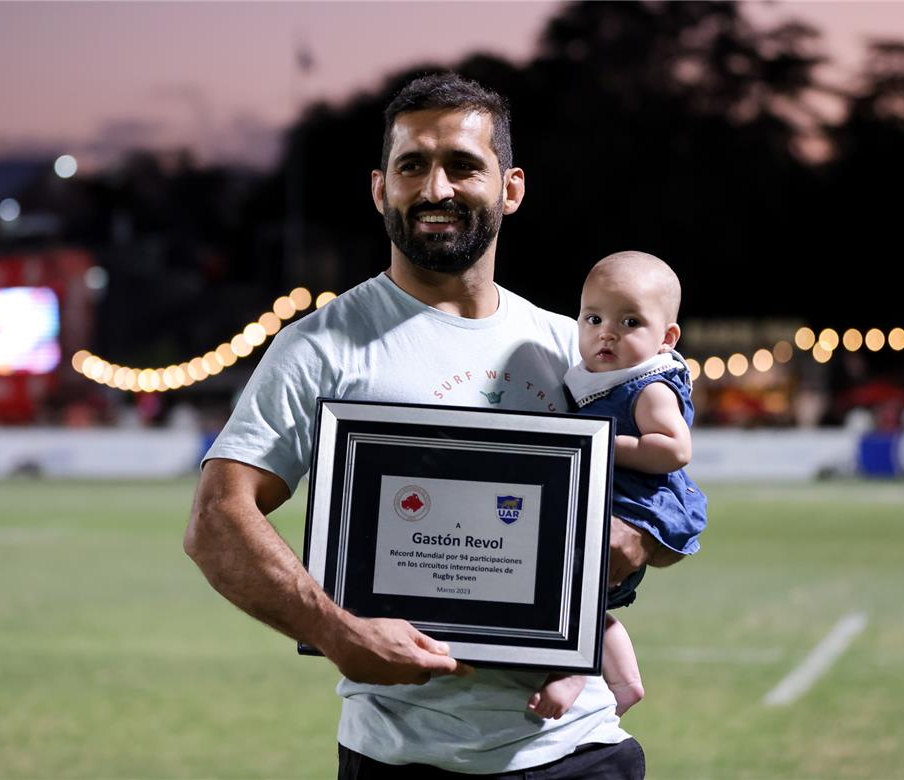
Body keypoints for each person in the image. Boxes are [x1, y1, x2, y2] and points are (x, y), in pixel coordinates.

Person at [184, 73, 683, 778]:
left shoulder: (575, 345)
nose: (436, 189)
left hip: (576, 748)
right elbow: (216, 521)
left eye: (462, 165)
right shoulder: (321, 345)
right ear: (380, 188)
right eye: (411, 165)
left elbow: (670, 494)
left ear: (509, 188)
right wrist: (338, 631)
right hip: (398, 757)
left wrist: (635, 537)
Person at [527, 252, 708, 721]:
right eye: (594, 318)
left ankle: (572, 670)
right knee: (584, 601)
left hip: (639, 505)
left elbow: (675, 449)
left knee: (572, 598)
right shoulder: (597, 377)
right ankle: (624, 681)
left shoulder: (648, 386)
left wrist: (606, 443)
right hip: (610, 500)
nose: (607, 332)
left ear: (666, 337)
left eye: (630, 321)